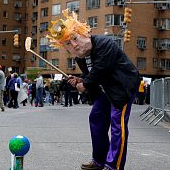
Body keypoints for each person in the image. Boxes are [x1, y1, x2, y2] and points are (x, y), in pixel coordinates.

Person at [47, 9, 140, 170]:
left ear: (85, 33)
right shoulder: (80, 57)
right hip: (105, 90)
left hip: (122, 88)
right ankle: (99, 160)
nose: (74, 45)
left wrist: (86, 83)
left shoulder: (105, 44)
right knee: (96, 118)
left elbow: (101, 70)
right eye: (68, 43)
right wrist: (80, 80)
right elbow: (92, 75)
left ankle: (113, 166)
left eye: (75, 38)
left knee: (118, 125)